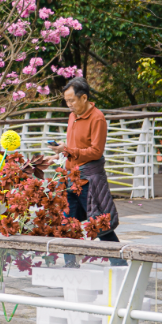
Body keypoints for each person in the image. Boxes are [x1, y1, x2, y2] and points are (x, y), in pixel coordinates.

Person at [49, 77, 123, 258]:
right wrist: (60, 153)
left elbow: (96, 152)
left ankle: (120, 265)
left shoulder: (97, 118)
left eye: (71, 100)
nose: (69, 105)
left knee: (100, 225)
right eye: (66, 101)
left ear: (84, 98)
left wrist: (67, 149)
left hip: (89, 181)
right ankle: (70, 266)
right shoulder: (72, 116)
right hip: (70, 179)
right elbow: (75, 146)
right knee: (67, 225)